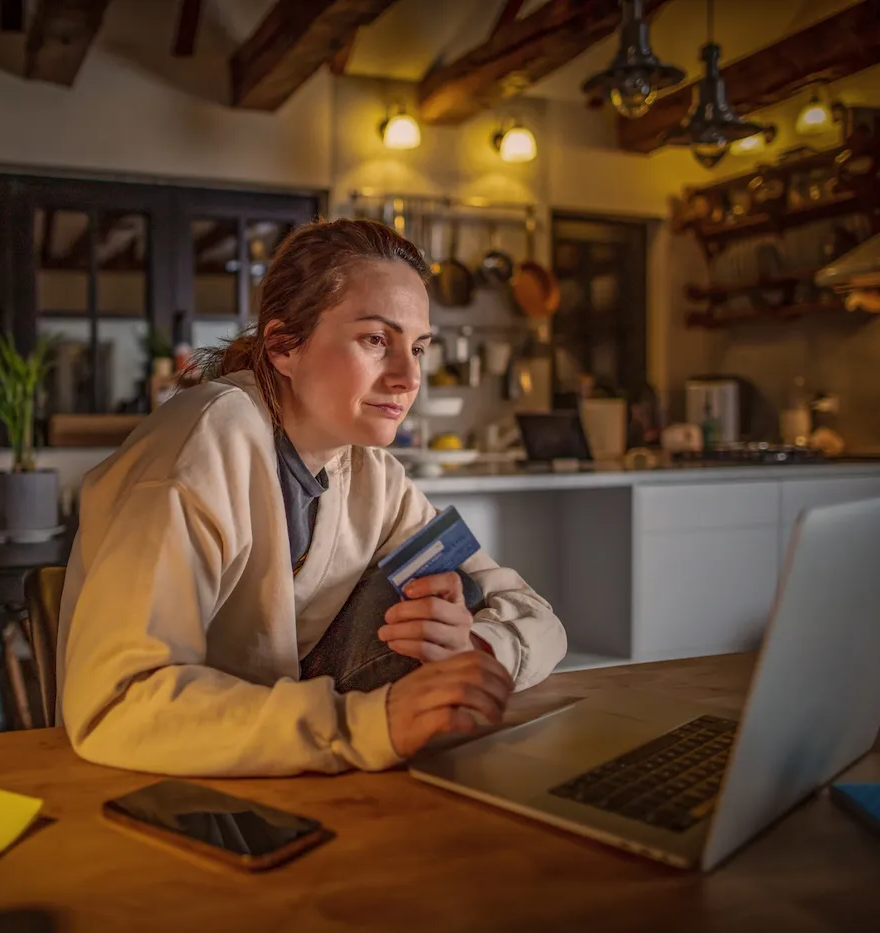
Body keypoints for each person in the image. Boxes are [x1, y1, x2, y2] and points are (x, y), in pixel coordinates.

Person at [56, 218, 566, 777]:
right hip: (156, 790)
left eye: (417, 348)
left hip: (292, 778)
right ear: (282, 347)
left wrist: (475, 646)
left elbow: (536, 617)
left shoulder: (374, 475)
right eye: (376, 340)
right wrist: (371, 724)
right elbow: (119, 704)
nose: (407, 377)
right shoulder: (204, 443)